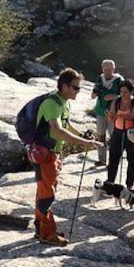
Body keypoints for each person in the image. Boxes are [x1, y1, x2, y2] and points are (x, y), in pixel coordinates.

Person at [32, 68, 103, 246]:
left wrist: (83, 137)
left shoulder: (63, 102)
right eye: (76, 88)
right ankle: (47, 234)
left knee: (45, 191)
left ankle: (42, 229)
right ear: (64, 86)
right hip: (44, 154)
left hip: (53, 153)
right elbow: (57, 130)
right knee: (46, 195)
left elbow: (66, 125)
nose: (78, 91)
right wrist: (83, 143)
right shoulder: (51, 103)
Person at [106, 78, 134, 191]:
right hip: (118, 131)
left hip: (131, 133)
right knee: (113, 158)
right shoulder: (116, 101)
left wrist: (117, 116)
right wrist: (112, 117)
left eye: (125, 92)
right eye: (121, 92)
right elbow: (112, 115)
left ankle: (130, 184)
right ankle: (110, 182)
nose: (123, 94)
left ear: (132, 92)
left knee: (132, 159)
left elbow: (132, 116)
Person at [90, 59, 123, 167]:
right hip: (100, 111)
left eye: (110, 69)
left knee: (113, 137)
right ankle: (102, 160)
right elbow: (93, 95)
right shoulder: (100, 78)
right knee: (101, 136)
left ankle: (113, 161)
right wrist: (96, 92)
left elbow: (126, 96)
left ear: (114, 69)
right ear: (102, 69)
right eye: (105, 69)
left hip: (113, 113)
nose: (107, 72)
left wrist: (114, 97)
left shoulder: (119, 80)